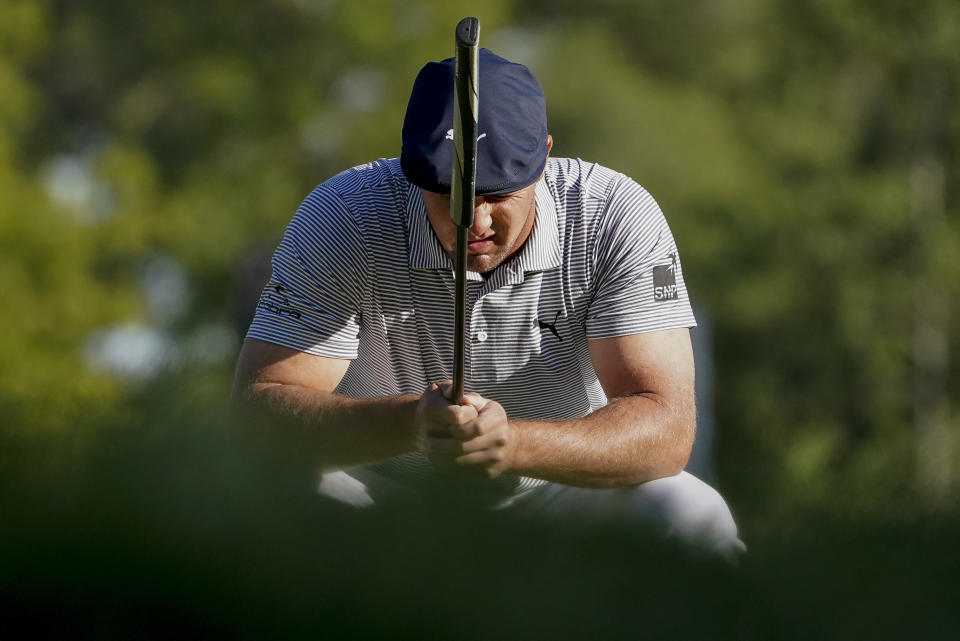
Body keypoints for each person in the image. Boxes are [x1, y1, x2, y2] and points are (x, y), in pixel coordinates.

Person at [232, 49, 745, 561]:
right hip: (380, 494)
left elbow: (667, 429)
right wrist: (413, 424)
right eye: (447, 193)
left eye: (497, 193)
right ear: (411, 166)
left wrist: (512, 445)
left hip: (556, 495)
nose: (473, 223)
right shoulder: (344, 215)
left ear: (543, 156)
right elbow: (258, 411)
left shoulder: (612, 213)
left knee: (690, 515)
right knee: (272, 491)